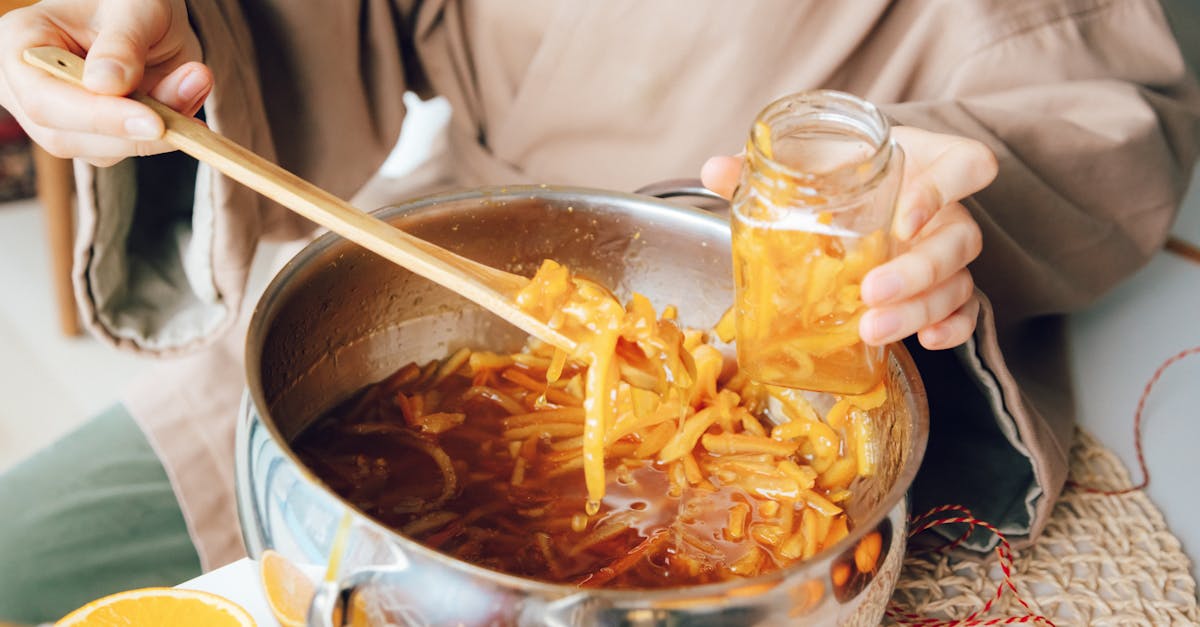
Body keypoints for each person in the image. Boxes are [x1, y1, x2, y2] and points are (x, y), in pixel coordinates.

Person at [0, 0, 1196, 622]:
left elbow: (1110, 101)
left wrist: (928, 192)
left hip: (818, 364)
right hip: (466, 282)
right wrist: (179, 33)